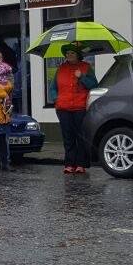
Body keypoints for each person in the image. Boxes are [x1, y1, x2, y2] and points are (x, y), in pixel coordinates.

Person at [50, 45, 97, 175]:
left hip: (80, 107)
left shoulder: (86, 67)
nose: (69, 55)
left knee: (80, 136)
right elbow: (53, 87)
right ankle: (69, 164)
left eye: (72, 53)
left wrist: (82, 76)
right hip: (63, 108)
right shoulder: (61, 68)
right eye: (67, 53)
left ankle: (81, 164)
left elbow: (94, 85)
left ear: (78, 55)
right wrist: (56, 99)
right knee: (68, 137)